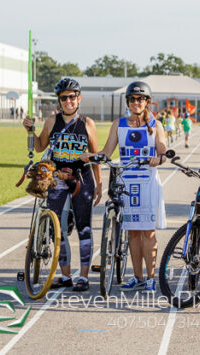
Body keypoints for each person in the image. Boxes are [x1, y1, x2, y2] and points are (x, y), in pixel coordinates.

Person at [82, 81, 167, 292]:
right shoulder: (118, 124)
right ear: (127, 101)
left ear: (147, 102)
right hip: (126, 182)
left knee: (147, 232)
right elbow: (107, 152)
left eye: (140, 99)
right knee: (131, 233)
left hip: (147, 183)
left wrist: (160, 158)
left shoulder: (155, 125)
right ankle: (137, 277)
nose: (136, 103)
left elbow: (163, 150)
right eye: (132, 99)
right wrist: (91, 156)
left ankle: (150, 277)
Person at [21, 78, 102, 291]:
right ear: (59, 100)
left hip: (82, 179)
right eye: (64, 97)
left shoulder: (87, 123)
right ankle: (66, 276)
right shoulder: (52, 121)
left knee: (84, 227)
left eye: (72, 96)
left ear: (79, 98)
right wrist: (30, 130)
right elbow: (39, 147)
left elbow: (96, 156)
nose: (68, 101)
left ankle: (83, 277)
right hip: (57, 179)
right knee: (59, 228)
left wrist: (100, 183)